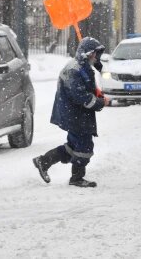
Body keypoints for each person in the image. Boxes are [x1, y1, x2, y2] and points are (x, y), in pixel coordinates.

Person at [33, 37, 106, 187]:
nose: (96, 57)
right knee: (84, 147)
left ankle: (44, 161)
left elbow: (85, 90)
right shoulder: (75, 70)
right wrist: (99, 102)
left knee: (73, 146)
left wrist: (96, 94)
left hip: (76, 115)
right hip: (76, 116)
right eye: (95, 54)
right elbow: (80, 96)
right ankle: (77, 178)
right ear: (88, 53)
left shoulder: (82, 67)